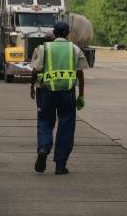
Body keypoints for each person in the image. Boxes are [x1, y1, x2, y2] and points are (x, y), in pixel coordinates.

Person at [29, 21, 88, 175]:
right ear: (68, 33)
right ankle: (60, 165)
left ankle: (43, 148)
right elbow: (80, 74)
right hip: (67, 94)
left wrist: (32, 87)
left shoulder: (45, 48)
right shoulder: (74, 49)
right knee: (66, 127)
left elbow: (36, 70)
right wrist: (81, 95)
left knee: (45, 122)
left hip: (47, 92)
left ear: (54, 33)